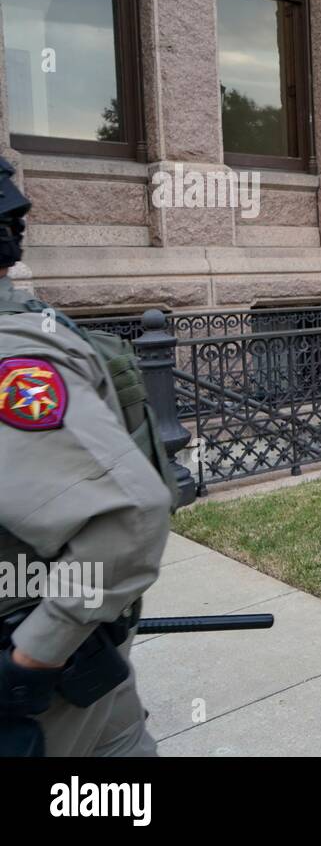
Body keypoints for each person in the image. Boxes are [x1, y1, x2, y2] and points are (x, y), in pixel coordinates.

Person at [0, 156, 172, 757]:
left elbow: (129, 517)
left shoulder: (13, 351)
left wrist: (31, 657)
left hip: (44, 686)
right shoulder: (34, 327)